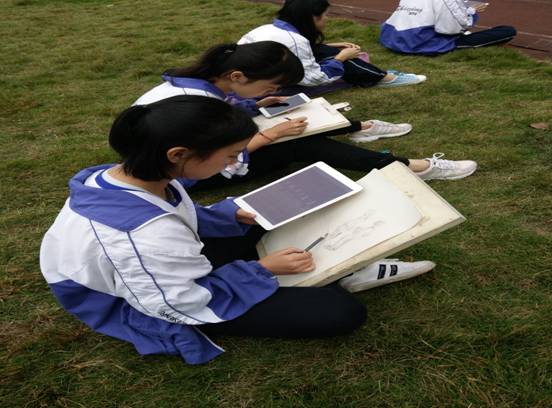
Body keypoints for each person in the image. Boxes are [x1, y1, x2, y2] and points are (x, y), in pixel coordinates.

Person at [39, 96, 434, 364]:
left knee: (264, 218)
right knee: (340, 313)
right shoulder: (140, 235)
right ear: (178, 154)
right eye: (229, 156)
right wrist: (262, 271)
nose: (233, 164)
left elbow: (175, 214)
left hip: (153, 269)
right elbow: (179, 303)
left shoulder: (130, 176)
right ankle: (338, 276)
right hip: (132, 298)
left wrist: (230, 216)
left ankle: (329, 265)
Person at [134, 42, 478, 190]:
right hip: (180, 177)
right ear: (237, 75)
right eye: (271, 85)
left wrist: (258, 105)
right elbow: (201, 159)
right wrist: (269, 136)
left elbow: (216, 120)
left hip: (166, 162)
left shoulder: (199, 87)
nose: (273, 90)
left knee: (293, 129)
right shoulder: (197, 101)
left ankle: (363, 130)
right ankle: (414, 167)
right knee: (301, 144)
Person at [237, 0, 426, 93]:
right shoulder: (295, 40)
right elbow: (314, 79)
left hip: (251, 79)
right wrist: (341, 58)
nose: (327, 20)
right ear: (312, 18)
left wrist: (331, 47)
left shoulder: (269, 28)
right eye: (325, 15)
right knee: (340, 59)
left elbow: (297, 48)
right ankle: (384, 78)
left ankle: (379, 75)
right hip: (263, 87)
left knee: (326, 50)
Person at [380, 0, 517, 55]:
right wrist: (472, 11)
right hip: (418, 44)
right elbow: (449, 30)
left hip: (391, 38)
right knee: (508, 31)